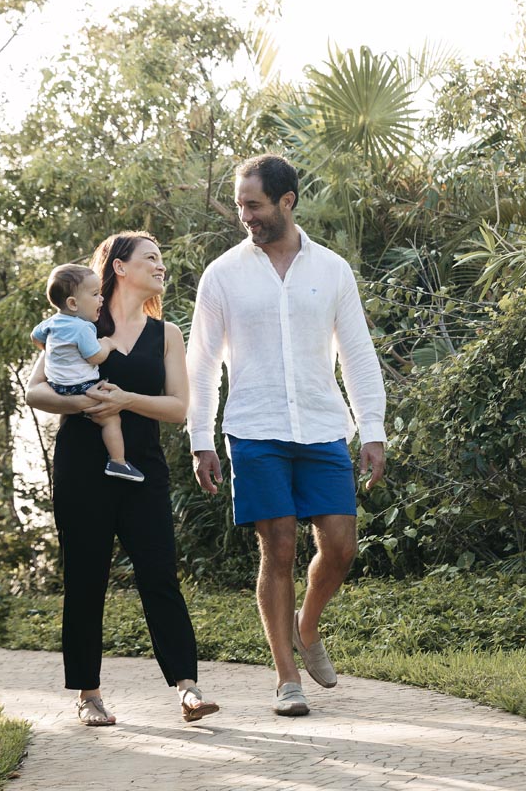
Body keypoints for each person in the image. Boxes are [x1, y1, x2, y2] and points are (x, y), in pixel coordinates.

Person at [187, 154, 387, 716]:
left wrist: (372, 428)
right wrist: (201, 437)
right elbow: (201, 362)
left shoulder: (332, 270)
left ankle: (307, 625)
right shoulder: (222, 274)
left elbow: (357, 353)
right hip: (255, 429)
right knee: (277, 549)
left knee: (341, 547)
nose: (244, 215)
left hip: (323, 427)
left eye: (253, 205)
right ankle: (286, 679)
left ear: (287, 202)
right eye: (241, 204)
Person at [25, 231, 219, 726]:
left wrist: (125, 401)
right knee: (85, 579)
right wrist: (87, 404)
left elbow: (178, 408)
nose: (161, 266)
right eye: (151, 258)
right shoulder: (79, 320)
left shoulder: (167, 333)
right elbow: (35, 390)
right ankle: (88, 695)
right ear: (119, 267)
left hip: (143, 467)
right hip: (81, 464)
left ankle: (188, 689)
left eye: (161, 258)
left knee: (160, 576)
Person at [31, 263, 144, 482]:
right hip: (82, 387)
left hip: (57, 386)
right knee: (111, 419)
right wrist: (108, 344)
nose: (100, 299)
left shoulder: (51, 323)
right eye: (95, 294)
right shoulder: (82, 328)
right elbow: (96, 357)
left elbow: (35, 338)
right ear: (73, 303)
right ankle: (118, 462)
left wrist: (55, 350)